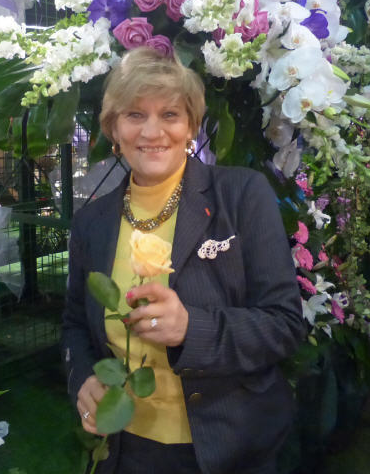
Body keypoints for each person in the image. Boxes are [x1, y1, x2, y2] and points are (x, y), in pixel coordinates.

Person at [61, 47, 305, 474]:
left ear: (191, 125)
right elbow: (75, 325)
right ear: (113, 128)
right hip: (127, 450)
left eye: (170, 114)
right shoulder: (91, 223)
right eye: (135, 115)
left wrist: (192, 329)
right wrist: (82, 378)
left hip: (229, 448)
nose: (151, 131)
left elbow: (284, 325)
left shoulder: (241, 196)